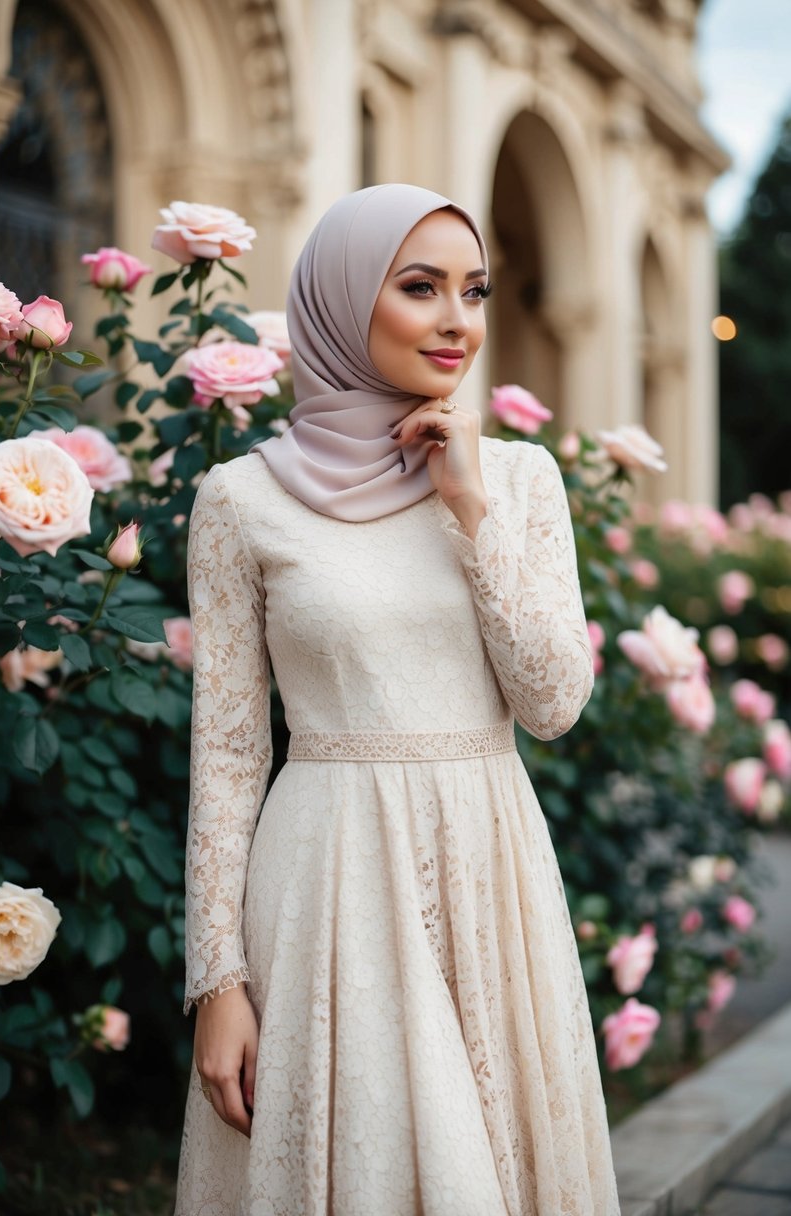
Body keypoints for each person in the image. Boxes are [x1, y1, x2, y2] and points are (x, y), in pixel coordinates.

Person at [174, 183, 621, 1215]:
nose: (457, 318)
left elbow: (553, 701)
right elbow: (230, 753)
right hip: (328, 886)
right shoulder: (241, 499)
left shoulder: (516, 481)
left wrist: (468, 504)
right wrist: (218, 981)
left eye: (474, 290)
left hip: (490, 867)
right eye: (419, 287)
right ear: (341, 299)